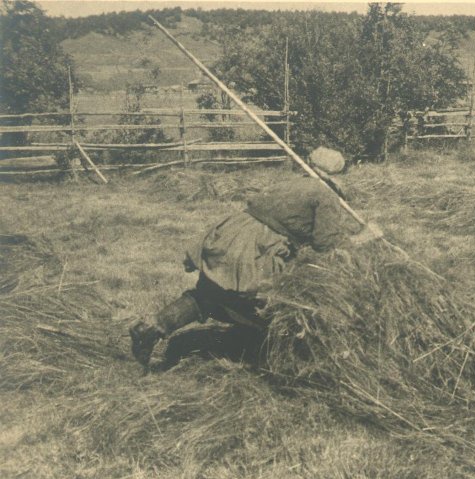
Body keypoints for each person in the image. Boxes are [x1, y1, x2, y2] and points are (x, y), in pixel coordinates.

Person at [128, 147, 382, 368]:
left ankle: (151, 327)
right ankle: (281, 359)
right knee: (269, 307)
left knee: (208, 294)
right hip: (255, 250)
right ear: (336, 177)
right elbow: (327, 244)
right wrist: (365, 236)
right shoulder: (325, 194)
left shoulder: (287, 183)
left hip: (232, 234)